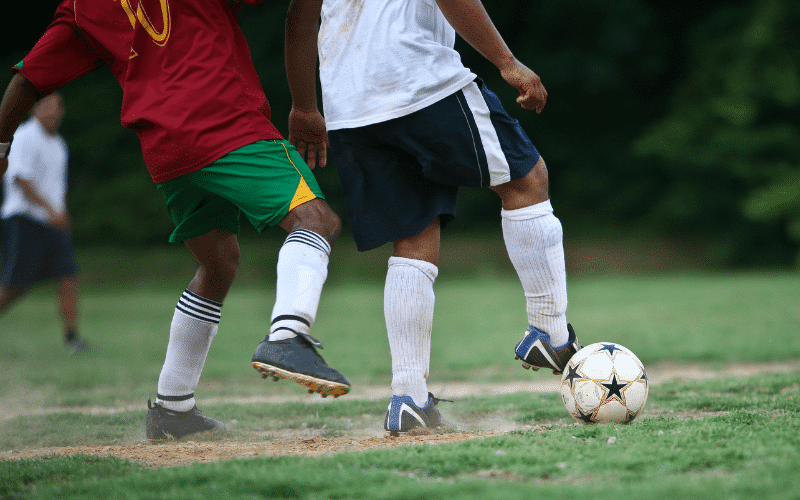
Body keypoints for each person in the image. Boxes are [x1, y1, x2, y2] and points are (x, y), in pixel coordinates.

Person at [0, 0, 350, 441]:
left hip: (166, 147)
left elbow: (28, 79)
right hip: (227, 123)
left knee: (218, 264)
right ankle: (288, 335)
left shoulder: (83, 6)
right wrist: (305, 104)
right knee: (317, 221)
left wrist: (0, 144)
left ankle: (172, 407)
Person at [284, 0, 582, 433]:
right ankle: (550, 334)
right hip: (416, 80)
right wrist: (507, 61)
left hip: (349, 107)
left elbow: (300, 14)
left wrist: (304, 107)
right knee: (526, 179)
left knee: (413, 238)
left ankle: (409, 399)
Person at [0, 92, 93, 354]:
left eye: (59, 105)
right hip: (24, 219)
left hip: (53, 222)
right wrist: (53, 210)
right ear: (34, 109)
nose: (55, 110)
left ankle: (72, 338)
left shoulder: (58, 144)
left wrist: (62, 212)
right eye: (48, 104)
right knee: (16, 285)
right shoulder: (26, 136)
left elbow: (56, 187)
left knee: (68, 277)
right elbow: (21, 179)